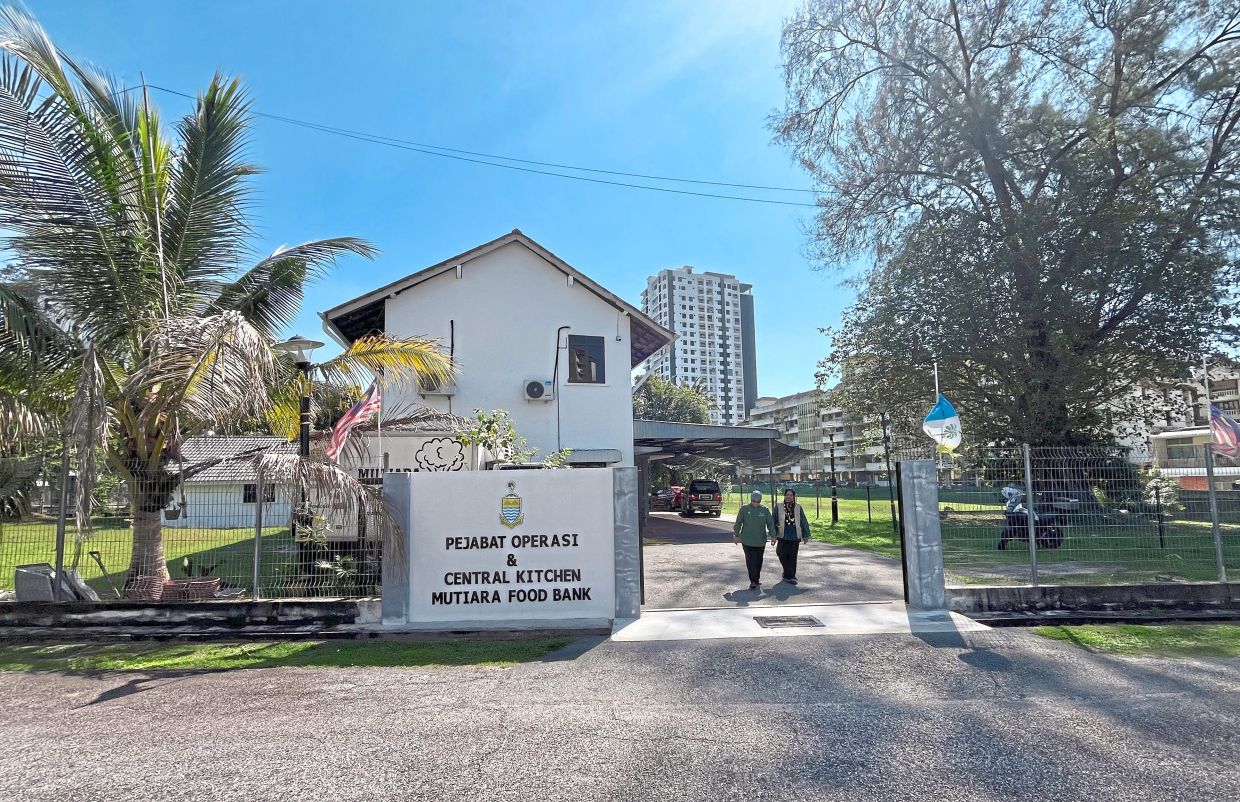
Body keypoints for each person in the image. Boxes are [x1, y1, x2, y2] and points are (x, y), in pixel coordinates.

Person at [733, 490, 777, 591]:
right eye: (754, 501)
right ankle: (753, 580)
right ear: (751, 500)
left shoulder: (764, 510)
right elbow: (738, 522)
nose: (756, 503)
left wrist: (773, 536)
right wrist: (736, 535)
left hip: (760, 541)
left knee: (758, 561)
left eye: (758, 501)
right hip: (747, 540)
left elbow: (770, 523)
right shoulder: (744, 509)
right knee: (750, 560)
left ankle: (756, 579)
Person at [771, 489, 811, 585]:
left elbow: (803, 521)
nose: (789, 497)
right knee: (780, 553)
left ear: (794, 497)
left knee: (792, 557)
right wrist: (773, 535)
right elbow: (773, 521)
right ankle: (787, 572)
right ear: (784, 496)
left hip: (794, 534)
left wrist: (806, 535)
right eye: (787, 495)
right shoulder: (778, 507)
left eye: (791, 495)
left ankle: (791, 576)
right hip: (783, 534)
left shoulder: (798, 507)